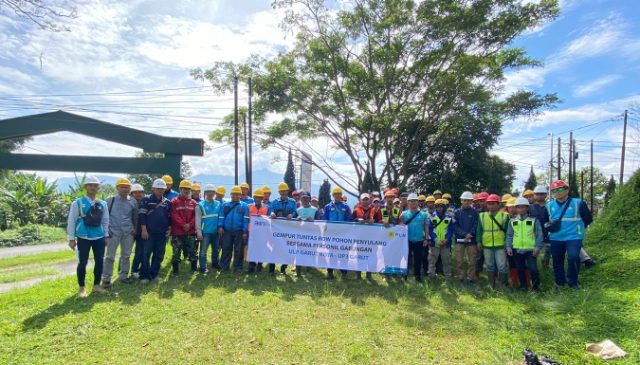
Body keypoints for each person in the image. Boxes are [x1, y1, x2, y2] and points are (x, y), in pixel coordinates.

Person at [67, 176, 109, 298]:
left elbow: (106, 220)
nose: (93, 187)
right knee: (82, 262)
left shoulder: (103, 203)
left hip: (99, 236)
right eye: (90, 185)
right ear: (85, 187)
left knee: (100, 261)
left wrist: (106, 235)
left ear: (98, 187)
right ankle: (82, 287)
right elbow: (72, 221)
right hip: (83, 236)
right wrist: (71, 238)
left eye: (95, 185)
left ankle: (96, 285)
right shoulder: (78, 203)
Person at [546, 180, 593, 288]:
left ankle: (573, 281)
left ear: (567, 190)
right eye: (554, 191)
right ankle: (559, 282)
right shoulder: (549, 205)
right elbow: (545, 221)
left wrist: (579, 228)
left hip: (574, 237)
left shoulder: (578, 203)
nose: (557, 192)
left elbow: (588, 219)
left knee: (573, 257)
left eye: (560, 189)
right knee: (557, 260)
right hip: (556, 237)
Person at [102, 178, 138, 287]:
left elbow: (135, 216)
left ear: (129, 188)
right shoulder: (110, 200)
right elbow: (104, 216)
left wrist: (135, 228)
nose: (124, 189)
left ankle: (124, 276)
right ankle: (106, 279)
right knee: (110, 256)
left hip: (128, 232)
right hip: (113, 231)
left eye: (126, 187)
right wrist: (106, 230)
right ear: (117, 188)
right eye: (121, 186)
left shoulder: (133, 201)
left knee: (126, 256)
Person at [506, 197, 544, 292]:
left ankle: (536, 287)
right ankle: (523, 286)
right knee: (520, 269)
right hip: (517, 249)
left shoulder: (533, 220)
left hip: (531, 250)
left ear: (527, 208)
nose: (521, 209)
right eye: (519, 207)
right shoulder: (512, 221)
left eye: (523, 207)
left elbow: (539, 234)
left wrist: (537, 247)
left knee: (533, 269)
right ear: (516, 208)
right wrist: (509, 247)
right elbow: (509, 235)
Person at [138, 179, 172, 284]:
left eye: (162, 189)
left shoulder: (167, 202)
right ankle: (144, 276)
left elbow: (169, 217)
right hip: (149, 232)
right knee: (146, 254)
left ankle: (154, 274)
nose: (160, 190)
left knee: (159, 255)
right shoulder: (146, 199)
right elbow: (142, 215)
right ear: (153, 188)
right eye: (158, 188)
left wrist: (169, 228)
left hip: (162, 233)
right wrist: (143, 229)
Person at [476, 194, 509, 289]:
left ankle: (503, 285)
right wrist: (478, 241)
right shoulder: (482, 216)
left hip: (501, 245)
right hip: (487, 245)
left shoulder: (504, 216)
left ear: (498, 204)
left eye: (493, 204)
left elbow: (508, 232)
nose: (491, 206)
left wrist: (507, 244)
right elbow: (479, 230)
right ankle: (491, 284)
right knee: (489, 266)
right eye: (489, 204)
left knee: (502, 266)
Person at [268, 182, 298, 275]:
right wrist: (272, 213)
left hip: (288, 230)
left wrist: (292, 215)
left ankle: (283, 268)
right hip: (276, 230)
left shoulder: (292, 202)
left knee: (286, 249)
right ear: (279, 192)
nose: (283, 192)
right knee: (273, 249)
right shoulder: (274, 202)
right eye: (281, 191)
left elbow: (295, 213)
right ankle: (271, 270)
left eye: (284, 191)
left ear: (287, 191)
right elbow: (270, 210)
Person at [218, 186, 250, 273]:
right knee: (226, 248)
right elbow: (221, 216)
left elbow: (246, 219)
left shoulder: (244, 206)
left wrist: (244, 231)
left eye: (237, 194)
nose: (235, 196)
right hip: (226, 231)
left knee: (239, 250)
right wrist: (220, 226)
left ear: (240, 195)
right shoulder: (224, 205)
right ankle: (224, 266)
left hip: (239, 231)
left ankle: (238, 267)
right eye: (233, 194)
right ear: (231, 194)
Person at [399, 193, 431, 282]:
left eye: (414, 201)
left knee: (418, 259)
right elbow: (400, 226)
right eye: (411, 201)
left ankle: (417, 276)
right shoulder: (404, 214)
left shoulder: (424, 214)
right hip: (407, 240)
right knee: (406, 258)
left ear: (417, 202)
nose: (413, 203)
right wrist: (400, 219)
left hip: (420, 240)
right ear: (408, 203)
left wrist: (426, 239)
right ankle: (404, 275)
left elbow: (426, 227)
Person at [322, 187, 352, 280]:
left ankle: (344, 273)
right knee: (332, 253)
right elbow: (324, 219)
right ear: (333, 195)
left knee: (344, 253)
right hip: (331, 234)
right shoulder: (328, 206)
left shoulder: (346, 206)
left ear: (341, 195)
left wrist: (343, 228)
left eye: (339, 194)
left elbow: (348, 219)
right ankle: (330, 273)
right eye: (335, 194)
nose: (337, 196)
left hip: (343, 234)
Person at [351, 193, 383, 279]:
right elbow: (350, 221)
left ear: (370, 200)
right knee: (360, 255)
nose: (365, 201)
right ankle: (359, 274)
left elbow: (379, 221)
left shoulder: (374, 210)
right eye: (363, 199)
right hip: (360, 237)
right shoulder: (356, 210)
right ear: (360, 201)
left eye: (367, 199)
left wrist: (374, 221)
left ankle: (369, 274)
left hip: (372, 237)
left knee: (372, 255)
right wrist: (357, 219)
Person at [169, 180, 198, 275]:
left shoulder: (193, 202)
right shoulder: (174, 202)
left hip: (191, 231)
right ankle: (175, 271)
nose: (186, 190)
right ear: (180, 189)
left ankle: (194, 269)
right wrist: (183, 225)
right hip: (178, 232)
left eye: (188, 189)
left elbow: (196, 216)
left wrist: (189, 225)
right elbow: (174, 215)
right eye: (184, 188)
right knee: (176, 252)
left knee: (193, 251)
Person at [453, 191, 479, 285]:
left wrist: (470, 234)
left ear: (471, 201)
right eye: (464, 200)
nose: (466, 202)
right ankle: (460, 278)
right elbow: (455, 226)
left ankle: (470, 278)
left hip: (472, 240)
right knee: (459, 260)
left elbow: (476, 225)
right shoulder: (456, 212)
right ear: (461, 201)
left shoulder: (475, 213)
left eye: (468, 200)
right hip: (460, 240)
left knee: (472, 261)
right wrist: (464, 234)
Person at [196, 184, 221, 274]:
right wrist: (199, 232)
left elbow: (220, 218)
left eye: (212, 192)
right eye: (208, 192)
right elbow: (198, 220)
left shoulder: (218, 204)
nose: (210, 193)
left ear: (214, 193)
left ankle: (215, 264)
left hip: (216, 232)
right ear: (205, 193)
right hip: (205, 232)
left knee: (216, 249)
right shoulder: (200, 205)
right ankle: (203, 267)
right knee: (203, 251)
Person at [428, 199, 453, 279]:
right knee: (432, 261)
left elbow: (450, 230)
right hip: (434, 242)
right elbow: (430, 230)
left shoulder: (449, 217)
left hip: (446, 243)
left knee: (446, 261)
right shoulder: (431, 217)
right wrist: (435, 239)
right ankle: (431, 275)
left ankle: (448, 276)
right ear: (435, 207)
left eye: (441, 206)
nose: (439, 208)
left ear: (444, 207)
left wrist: (447, 239)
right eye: (438, 206)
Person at [294, 191, 317, 277]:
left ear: (309, 199)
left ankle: (308, 271)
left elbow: (319, 223)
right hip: (300, 235)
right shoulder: (298, 210)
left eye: (306, 198)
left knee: (310, 253)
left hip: (311, 236)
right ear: (301, 199)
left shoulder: (315, 210)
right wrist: (297, 219)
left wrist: (313, 221)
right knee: (298, 253)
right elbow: (293, 221)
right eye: (303, 198)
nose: (305, 199)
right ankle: (298, 271)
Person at [247, 188, 268, 273]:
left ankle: (259, 266)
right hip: (251, 231)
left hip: (262, 232)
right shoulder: (249, 207)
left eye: (260, 197)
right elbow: (246, 219)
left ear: (262, 198)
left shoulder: (266, 208)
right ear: (254, 197)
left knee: (261, 249)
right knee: (251, 249)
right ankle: (251, 267)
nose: (258, 199)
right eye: (256, 197)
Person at [529, 185, 551, 269]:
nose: (539, 196)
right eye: (537, 194)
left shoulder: (549, 206)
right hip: (534, 234)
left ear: (545, 195)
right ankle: (533, 267)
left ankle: (545, 265)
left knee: (548, 250)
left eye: (542, 194)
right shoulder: (530, 207)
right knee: (533, 252)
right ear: (534, 195)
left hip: (547, 233)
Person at [130, 183, 146, 279]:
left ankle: (135, 270)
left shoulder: (145, 203)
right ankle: (121, 272)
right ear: (132, 194)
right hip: (130, 232)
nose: (138, 194)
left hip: (141, 232)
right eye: (135, 192)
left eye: (140, 192)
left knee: (139, 252)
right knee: (126, 253)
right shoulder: (128, 202)